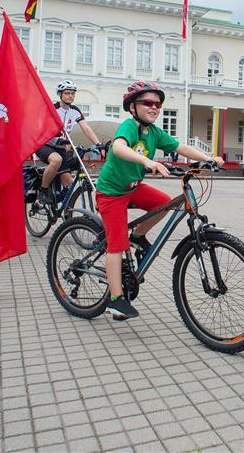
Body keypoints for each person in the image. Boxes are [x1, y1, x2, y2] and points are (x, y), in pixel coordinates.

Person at [95, 81, 224, 320]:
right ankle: (115, 299)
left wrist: (209, 159)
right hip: (111, 191)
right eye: (148, 103)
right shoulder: (129, 126)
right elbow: (119, 148)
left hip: (133, 187)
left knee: (164, 203)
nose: (154, 107)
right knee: (116, 245)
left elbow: (181, 147)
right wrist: (147, 162)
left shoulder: (154, 132)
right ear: (133, 107)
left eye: (158, 104)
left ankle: (137, 235)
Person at [35, 80, 101, 204]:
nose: (71, 96)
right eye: (67, 93)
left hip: (61, 148)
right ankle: (43, 191)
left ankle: (65, 212)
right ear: (60, 94)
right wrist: (57, 137)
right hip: (45, 145)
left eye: (73, 93)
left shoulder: (74, 110)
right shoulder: (52, 109)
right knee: (56, 160)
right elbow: (41, 128)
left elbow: (86, 128)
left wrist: (98, 144)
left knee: (69, 184)